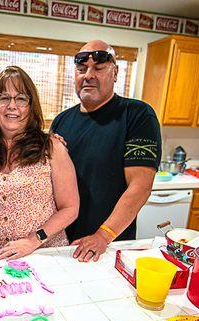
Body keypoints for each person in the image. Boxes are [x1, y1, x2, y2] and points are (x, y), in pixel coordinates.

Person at [50, 40, 161, 262]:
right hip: (59, 244)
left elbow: (140, 186)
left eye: (99, 68)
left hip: (108, 246)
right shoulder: (61, 121)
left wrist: (103, 235)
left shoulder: (137, 115)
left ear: (115, 72)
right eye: (82, 69)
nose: (88, 75)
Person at [0, 66, 79, 260]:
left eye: (21, 98)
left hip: (47, 256)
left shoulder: (52, 148)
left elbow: (70, 208)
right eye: (4, 98)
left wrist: (33, 240)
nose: (12, 106)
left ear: (31, 106)